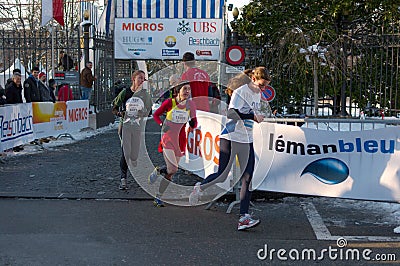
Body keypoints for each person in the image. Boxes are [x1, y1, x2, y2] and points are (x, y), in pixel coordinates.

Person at [189, 67, 271, 231]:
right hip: (231, 137)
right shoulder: (241, 91)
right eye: (262, 85)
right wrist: (252, 117)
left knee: (247, 178)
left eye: (266, 87)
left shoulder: (256, 94)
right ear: (253, 79)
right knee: (222, 175)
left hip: (246, 139)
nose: (263, 89)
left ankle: (243, 217)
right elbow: (232, 114)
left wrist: (257, 116)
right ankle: (200, 187)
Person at [149, 81, 197, 207]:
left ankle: (158, 196)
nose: (187, 92)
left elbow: (194, 122)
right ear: (178, 91)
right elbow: (156, 114)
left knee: (171, 173)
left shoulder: (190, 104)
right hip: (168, 138)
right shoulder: (170, 102)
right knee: (173, 168)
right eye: (185, 89)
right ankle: (160, 170)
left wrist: (192, 123)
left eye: (189, 90)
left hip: (180, 140)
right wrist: (161, 124)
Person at [112, 70, 152, 190]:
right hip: (124, 126)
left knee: (134, 155)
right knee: (126, 152)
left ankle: (133, 160)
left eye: (143, 79)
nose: (141, 81)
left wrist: (143, 113)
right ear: (133, 79)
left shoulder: (145, 94)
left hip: (137, 126)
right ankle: (123, 178)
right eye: (139, 78)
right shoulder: (125, 92)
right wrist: (120, 113)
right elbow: (114, 107)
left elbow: (150, 111)